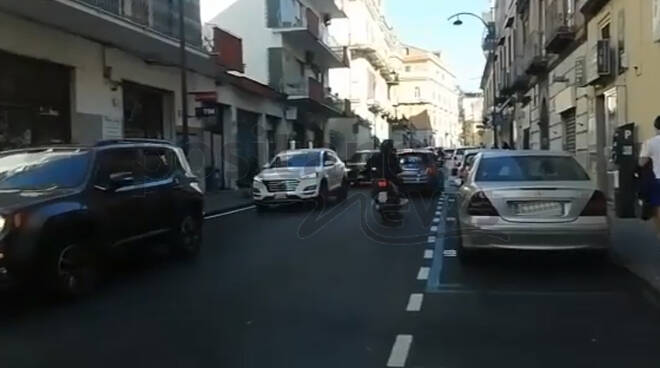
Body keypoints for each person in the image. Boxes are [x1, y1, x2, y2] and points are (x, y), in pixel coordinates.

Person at [639, 116, 660, 239]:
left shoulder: (650, 142)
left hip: (658, 179)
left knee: (657, 207)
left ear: (656, 127)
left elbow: (642, 162)